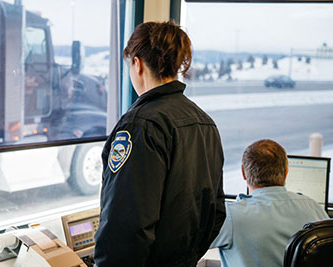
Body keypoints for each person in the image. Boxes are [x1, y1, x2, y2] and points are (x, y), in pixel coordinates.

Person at [94, 21, 225, 267]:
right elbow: (216, 211)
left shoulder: (139, 126)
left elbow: (126, 226)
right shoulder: (205, 123)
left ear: (137, 64)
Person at [211, 139, 329, 267]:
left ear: (243, 173)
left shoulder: (231, 217)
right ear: (286, 172)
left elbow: (189, 242)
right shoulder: (314, 207)